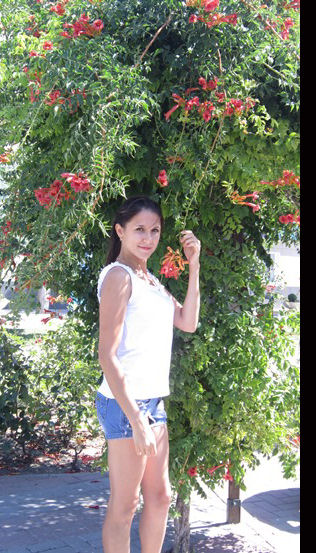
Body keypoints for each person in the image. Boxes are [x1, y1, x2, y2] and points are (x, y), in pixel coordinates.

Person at [96, 195, 201, 553]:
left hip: (152, 401)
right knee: (126, 505)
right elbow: (107, 355)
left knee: (160, 497)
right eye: (139, 229)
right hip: (126, 403)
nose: (148, 238)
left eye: (154, 230)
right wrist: (136, 419)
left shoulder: (149, 280)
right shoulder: (119, 276)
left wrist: (194, 266)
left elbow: (187, 321)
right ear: (120, 231)